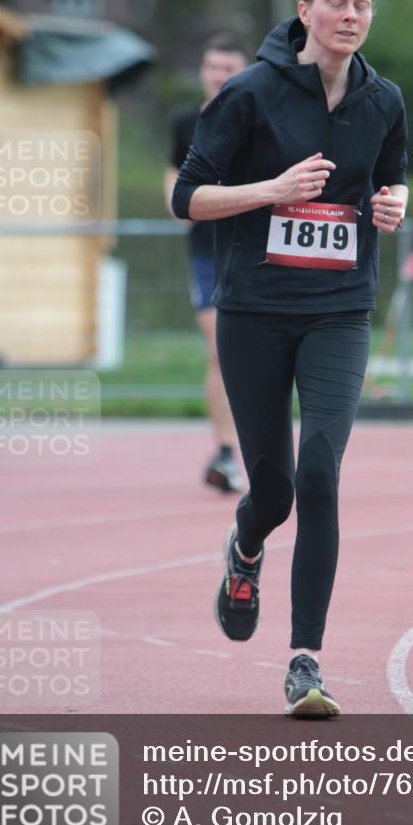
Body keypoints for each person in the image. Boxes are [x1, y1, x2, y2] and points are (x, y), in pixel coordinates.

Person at [173, 0, 408, 717]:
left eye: (362, 7)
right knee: (271, 491)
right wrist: (270, 192)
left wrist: (392, 205)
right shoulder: (247, 94)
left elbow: (392, 177)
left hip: (338, 309)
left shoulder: (383, 101)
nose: (350, 17)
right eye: (337, 3)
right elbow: (187, 197)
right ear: (304, 10)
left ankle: (305, 661)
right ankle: (245, 552)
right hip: (255, 313)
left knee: (320, 473)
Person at [165, 34, 249, 493]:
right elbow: (173, 170)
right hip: (205, 249)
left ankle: (266, 449)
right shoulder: (184, 122)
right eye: (212, 67)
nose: (219, 76)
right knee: (220, 348)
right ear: (202, 71)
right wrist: (177, 203)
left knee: (258, 354)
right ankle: (224, 451)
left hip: (254, 246)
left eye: (228, 68)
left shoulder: (260, 116)